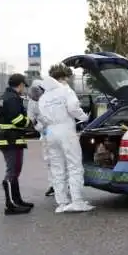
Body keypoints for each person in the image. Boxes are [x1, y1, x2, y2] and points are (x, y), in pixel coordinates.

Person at [38, 64, 94, 213]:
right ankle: (77, 201)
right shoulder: (65, 91)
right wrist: (84, 117)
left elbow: (41, 119)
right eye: (67, 78)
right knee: (74, 165)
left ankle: (62, 202)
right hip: (65, 130)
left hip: (50, 132)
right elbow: (73, 108)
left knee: (57, 167)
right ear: (62, 78)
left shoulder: (44, 97)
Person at [0, 73, 33, 215]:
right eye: (23, 86)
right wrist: (30, 122)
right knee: (13, 171)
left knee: (14, 171)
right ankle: (10, 205)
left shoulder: (7, 97)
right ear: (20, 85)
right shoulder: (12, 98)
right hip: (11, 139)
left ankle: (17, 200)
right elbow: (16, 119)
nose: (24, 89)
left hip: (9, 138)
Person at [26, 80, 54, 197]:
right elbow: (31, 118)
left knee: (61, 159)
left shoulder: (51, 98)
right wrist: (39, 127)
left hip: (57, 131)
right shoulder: (32, 102)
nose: (37, 98)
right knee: (49, 160)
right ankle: (53, 184)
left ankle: (64, 183)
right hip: (45, 133)